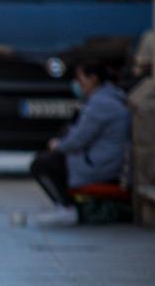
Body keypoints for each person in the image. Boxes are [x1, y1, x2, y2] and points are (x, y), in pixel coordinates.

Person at [31, 61, 131, 206]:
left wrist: (58, 145)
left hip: (99, 167)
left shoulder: (101, 103)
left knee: (42, 163)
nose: (77, 84)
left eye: (80, 79)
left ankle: (66, 205)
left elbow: (78, 140)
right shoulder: (106, 98)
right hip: (102, 162)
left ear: (93, 79)